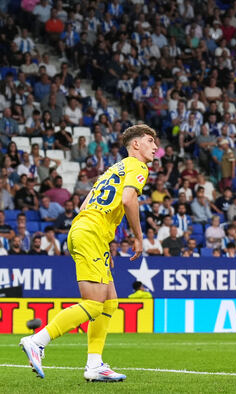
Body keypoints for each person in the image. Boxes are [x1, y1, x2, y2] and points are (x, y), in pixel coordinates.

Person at [20, 124, 157, 382]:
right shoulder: (138, 167)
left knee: (109, 301)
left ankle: (94, 364)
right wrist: (139, 238)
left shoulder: (112, 170)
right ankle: (38, 340)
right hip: (90, 233)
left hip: (87, 231)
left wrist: (100, 242)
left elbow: (85, 204)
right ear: (135, 145)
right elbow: (129, 200)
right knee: (93, 304)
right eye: (150, 141)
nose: (155, 147)